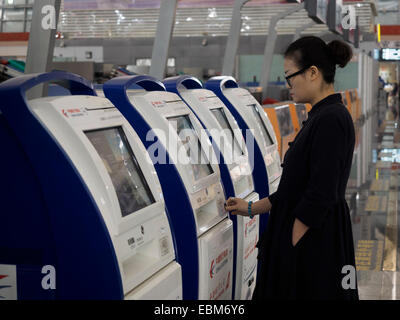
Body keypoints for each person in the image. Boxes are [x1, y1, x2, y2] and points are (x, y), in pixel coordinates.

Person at [225, 36, 358, 300]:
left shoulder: (331, 119)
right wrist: (250, 208)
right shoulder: (320, 115)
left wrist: (291, 246)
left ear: (312, 73)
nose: (288, 86)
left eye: (290, 77)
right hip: (310, 237)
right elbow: (293, 190)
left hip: (313, 245)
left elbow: (319, 194)